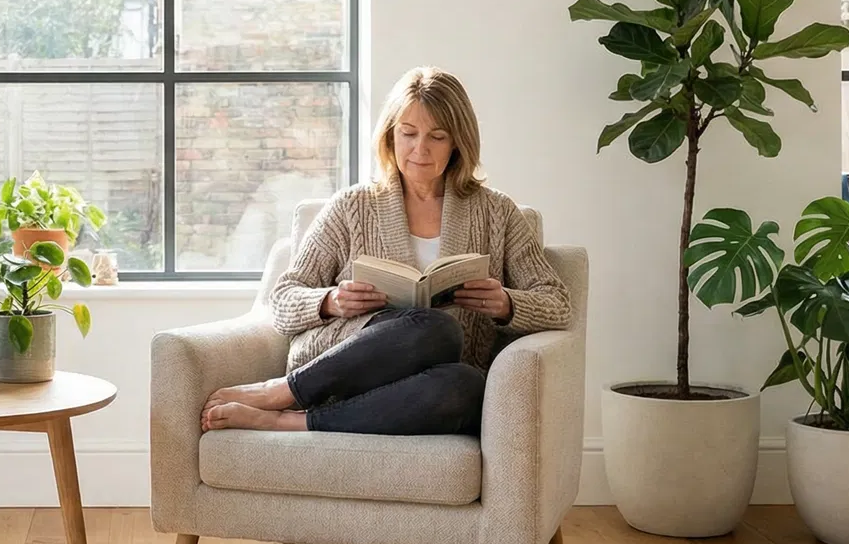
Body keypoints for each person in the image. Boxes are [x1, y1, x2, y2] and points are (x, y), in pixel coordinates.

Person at [202, 66, 572, 436]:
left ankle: (292, 422)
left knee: (469, 384)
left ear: (458, 142)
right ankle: (284, 392)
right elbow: (282, 300)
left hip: (419, 391)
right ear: (390, 135)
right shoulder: (351, 206)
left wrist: (506, 304)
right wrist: (330, 301)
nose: (420, 150)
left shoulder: (497, 212)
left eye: (437, 137)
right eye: (408, 134)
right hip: (345, 375)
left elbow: (557, 303)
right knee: (436, 327)